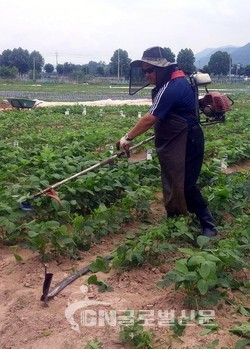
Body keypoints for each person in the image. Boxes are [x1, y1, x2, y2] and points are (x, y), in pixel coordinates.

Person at [116, 46, 218, 237]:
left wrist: (127, 137)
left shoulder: (172, 87)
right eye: (144, 71)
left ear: (162, 69)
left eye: (150, 70)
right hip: (177, 138)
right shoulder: (170, 84)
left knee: (186, 183)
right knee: (171, 177)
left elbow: (149, 118)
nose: (146, 75)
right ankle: (174, 216)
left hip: (189, 140)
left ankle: (208, 224)